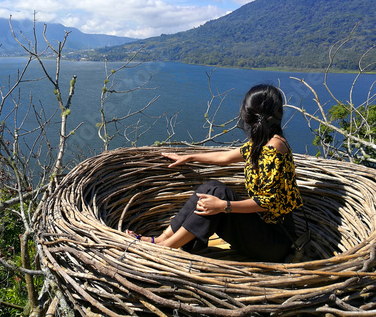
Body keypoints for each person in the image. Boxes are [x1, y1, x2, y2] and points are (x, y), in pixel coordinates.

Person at [126, 84, 304, 262]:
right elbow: (225, 157)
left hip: (274, 243)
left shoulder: (274, 147)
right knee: (211, 187)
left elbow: (268, 202)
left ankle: (165, 248)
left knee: (219, 194)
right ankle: (161, 239)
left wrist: (223, 206)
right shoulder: (262, 143)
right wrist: (190, 157)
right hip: (261, 231)